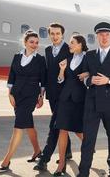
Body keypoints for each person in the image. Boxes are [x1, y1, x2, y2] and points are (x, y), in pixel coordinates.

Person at [78, 22, 110, 177]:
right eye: (101, 35)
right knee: (88, 139)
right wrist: (90, 80)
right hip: (92, 102)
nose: (104, 37)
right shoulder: (89, 55)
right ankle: (84, 171)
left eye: (107, 35)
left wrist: (109, 81)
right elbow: (83, 78)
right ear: (97, 37)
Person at [0, 30, 46, 171]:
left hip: (31, 96)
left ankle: (6, 160)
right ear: (25, 42)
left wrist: (41, 96)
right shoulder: (16, 56)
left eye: (37, 43)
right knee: (27, 123)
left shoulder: (40, 59)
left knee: (19, 125)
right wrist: (10, 94)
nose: (34, 45)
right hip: (16, 95)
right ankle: (37, 150)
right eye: (31, 42)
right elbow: (11, 76)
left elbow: (43, 81)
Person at [34, 23, 72, 171]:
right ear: (49, 35)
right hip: (52, 94)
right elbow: (47, 73)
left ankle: (44, 158)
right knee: (61, 124)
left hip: (65, 95)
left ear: (62, 35)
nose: (55, 36)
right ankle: (67, 151)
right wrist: (41, 93)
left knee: (54, 126)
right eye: (52, 34)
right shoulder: (48, 50)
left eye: (58, 34)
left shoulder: (69, 49)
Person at [53, 34, 89, 176]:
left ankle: (88, 149)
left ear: (80, 44)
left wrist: (87, 73)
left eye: (72, 43)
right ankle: (61, 163)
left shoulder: (88, 58)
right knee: (62, 130)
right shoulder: (67, 59)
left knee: (78, 131)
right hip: (65, 98)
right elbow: (60, 80)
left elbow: (94, 72)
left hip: (79, 99)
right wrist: (62, 70)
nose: (70, 45)